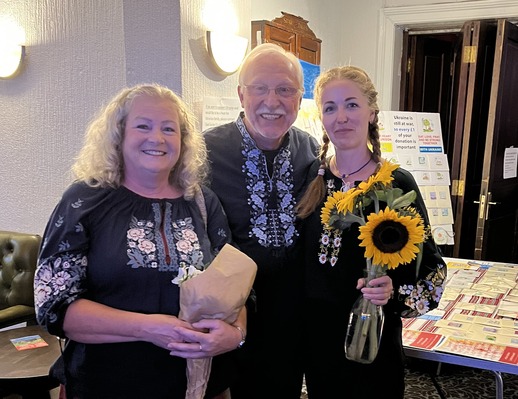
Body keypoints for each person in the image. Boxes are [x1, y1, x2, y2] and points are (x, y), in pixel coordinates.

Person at [34, 84, 246, 399]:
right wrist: (149, 328)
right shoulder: (84, 200)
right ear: (119, 135)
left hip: (195, 384)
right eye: (143, 126)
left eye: (169, 129)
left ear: (183, 141)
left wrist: (236, 334)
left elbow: (235, 286)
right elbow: (55, 308)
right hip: (105, 383)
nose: (156, 138)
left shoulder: (202, 202)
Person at [296, 66, 447, 398]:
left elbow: (433, 274)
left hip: (373, 343)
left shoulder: (396, 184)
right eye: (330, 107)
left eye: (351, 104)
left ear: (372, 112)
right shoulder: (310, 177)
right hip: (317, 344)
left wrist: (391, 292)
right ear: (321, 117)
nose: (341, 117)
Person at [203, 43, 319, 398]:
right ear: (241, 94)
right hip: (227, 315)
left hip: (290, 318)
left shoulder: (311, 150)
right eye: (260, 88)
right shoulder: (203, 152)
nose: (273, 101)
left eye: (285, 89)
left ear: (299, 99)